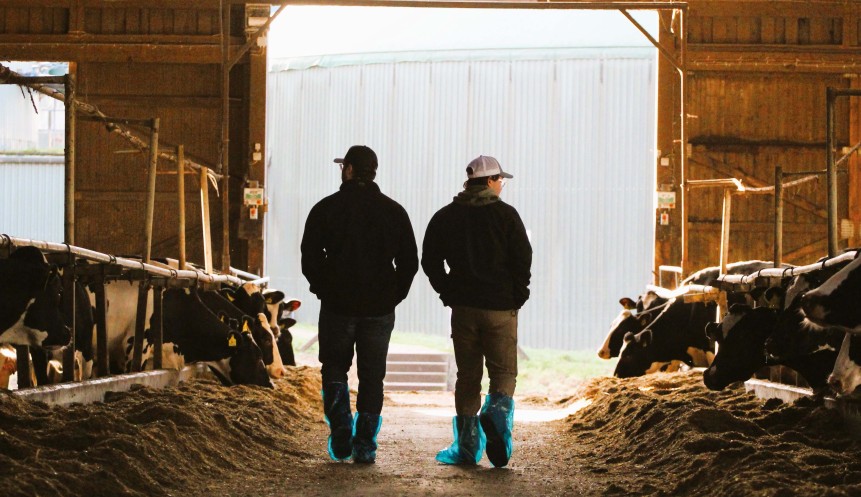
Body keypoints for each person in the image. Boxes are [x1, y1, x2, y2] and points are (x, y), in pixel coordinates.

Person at [301, 145, 418, 464]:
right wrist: (394, 295)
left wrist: (323, 287)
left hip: (338, 305)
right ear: (374, 171)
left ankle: (340, 427)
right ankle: (365, 443)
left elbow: (310, 256)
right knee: (371, 375)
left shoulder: (326, 209)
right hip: (379, 308)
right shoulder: (394, 211)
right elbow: (409, 261)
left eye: (344, 166)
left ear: (349, 169)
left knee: (335, 367)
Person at [422, 155, 532, 468]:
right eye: (501, 181)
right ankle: (495, 415)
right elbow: (523, 258)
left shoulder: (446, 216)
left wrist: (448, 291)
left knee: (467, 377)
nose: (502, 186)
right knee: (503, 373)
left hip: (464, 309)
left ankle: (467, 447)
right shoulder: (506, 216)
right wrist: (517, 296)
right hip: (500, 308)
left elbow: (429, 260)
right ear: (491, 181)